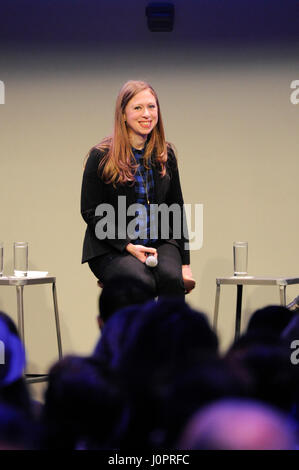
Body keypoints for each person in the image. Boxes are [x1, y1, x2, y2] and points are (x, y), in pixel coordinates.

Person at [81, 80, 195, 302]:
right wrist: (128, 245)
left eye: (152, 107)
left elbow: (176, 208)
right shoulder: (101, 156)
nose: (147, 114)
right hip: (112, 247)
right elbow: (90, 211)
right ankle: (136, 336)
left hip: (159, 241)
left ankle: (171, 337)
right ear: (123, 114)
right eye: (138, 108)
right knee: (140, 282)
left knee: (172, 279)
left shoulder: (165, 154)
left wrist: (185, 264)